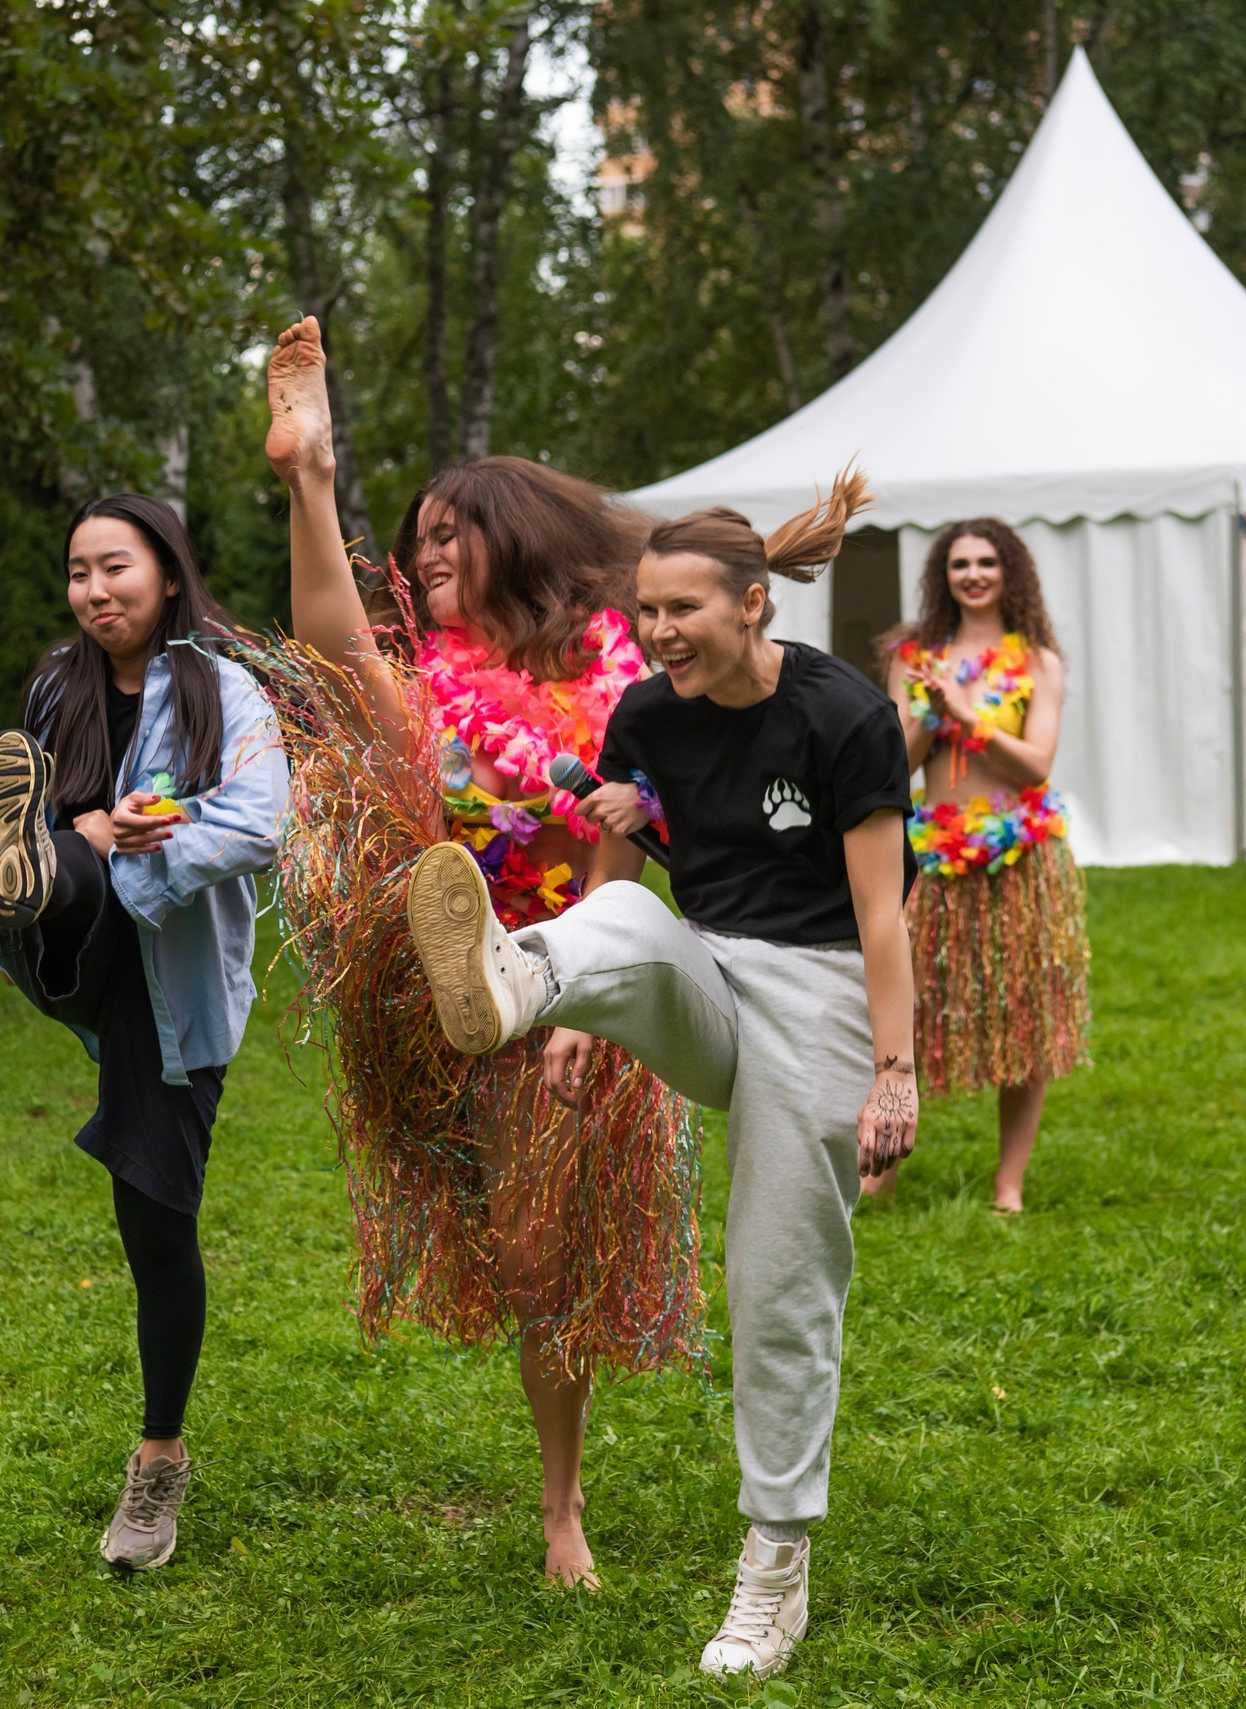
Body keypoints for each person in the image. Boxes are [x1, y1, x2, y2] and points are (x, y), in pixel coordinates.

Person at [400, 471, 919, 1678]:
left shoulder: (842, 716)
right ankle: (517, 981)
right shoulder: (644, 716)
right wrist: (584, 1001)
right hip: (703, 966)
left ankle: (773, 1566)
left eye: (682, 610)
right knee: (617, 926)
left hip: (826, 988)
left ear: (753, 607)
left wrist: (893, 1072)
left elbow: (883, 919)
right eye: (645, 611)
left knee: (777, 1277)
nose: (657, 632)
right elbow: (617, 874)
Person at [260, 314, 703, 1588]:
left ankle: (562, 1504)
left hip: (590, 983)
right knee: (522, 1245)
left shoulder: (627, 687)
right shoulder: (430, 692)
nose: (428, 550)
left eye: (456, 531)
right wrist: (313, 482)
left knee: (553, 1248)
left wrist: (591, 990)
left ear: (524, 540)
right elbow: (334, 641)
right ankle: (558, 1491)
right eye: (419, 536)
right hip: (467, 997)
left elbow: (627, 833)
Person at [0, 493, 287, 1573]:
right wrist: (78, 832)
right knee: (52, 855)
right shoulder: (58, 685)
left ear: (169, 573)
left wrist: (139, 837)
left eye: (116, 569)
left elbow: (257, 822)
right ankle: (46, 867)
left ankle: (160, 1450)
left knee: (154, 1220)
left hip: (169, 981)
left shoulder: (224, 690)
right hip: (73, 950)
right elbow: (41, 819)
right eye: (79, 572)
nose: (96, 591)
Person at [865, 519, 1090, 1214]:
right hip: (933, 857)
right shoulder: (915, 659)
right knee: (906, 1006)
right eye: (960, 562)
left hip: (1018, 854)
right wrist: (930, 719)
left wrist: (968, 716)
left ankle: (1008, 1184)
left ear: (1009, 571)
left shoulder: (1039, 662)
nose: (973, 574)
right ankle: (883, 1168)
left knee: (1022, 1013)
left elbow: (1037, 766)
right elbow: (892, 769)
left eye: (987, 561)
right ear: (944, 574)